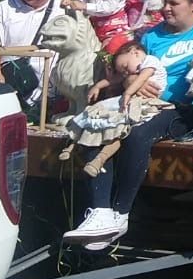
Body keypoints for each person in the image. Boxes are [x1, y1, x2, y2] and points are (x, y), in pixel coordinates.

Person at [62, 0, 193, 247]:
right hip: (140, 104)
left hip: (185, 108)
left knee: (137, 133)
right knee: (97, 125)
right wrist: (130, 82)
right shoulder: (151, 37)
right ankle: (100, 212)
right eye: (164, 1)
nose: (165, 8)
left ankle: (121, 213)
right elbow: (130, 70)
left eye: (173, 3)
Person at [63, 40, 171, 178]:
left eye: (125, 66)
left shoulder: (150, 61)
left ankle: (99, 159)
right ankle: (73, 142)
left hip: (143, 102)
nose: (126, 72)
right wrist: (98, 86)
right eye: (124, 71)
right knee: (97, 110)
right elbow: (114, 79)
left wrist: (128, 92)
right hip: (131, 100)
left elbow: (142, 78)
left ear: (135, 52)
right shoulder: (133, 69)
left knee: (120, 128)